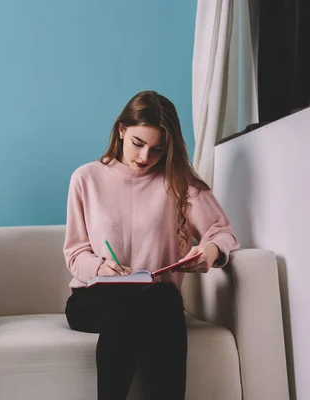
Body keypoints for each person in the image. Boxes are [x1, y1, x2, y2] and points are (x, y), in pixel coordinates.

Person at [63, 91, 240, 399]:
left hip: (156, 298)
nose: (145, 157)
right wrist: (102, 267)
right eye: (138, 144)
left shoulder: (179, 181)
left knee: (165, 300)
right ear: (121, 130)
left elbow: (222, 232)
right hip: (94, 298)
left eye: (158, 149)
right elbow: (75, 253)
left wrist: (208, 252)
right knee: (134, 305)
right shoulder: (86, 178)